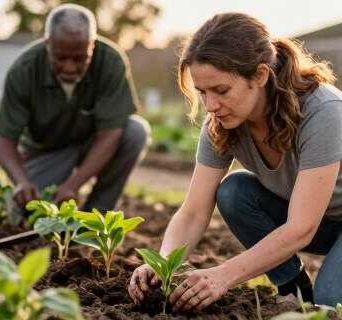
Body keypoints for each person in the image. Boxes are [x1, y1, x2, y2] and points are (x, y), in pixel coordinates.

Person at [129, 12, 342, 311]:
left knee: (331, 303)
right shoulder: (223, 121)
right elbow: (193, 211)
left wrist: (223, 275)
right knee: (234, 191)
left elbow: (301, 229)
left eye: (221, 90)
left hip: (312, 224)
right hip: (320, 225)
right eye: (202, 92)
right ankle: (293, 287)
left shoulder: (324, 111)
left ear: (260, 75)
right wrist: (163, 262)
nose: (211, 106)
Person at [0, 4, 150, 214]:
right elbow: (3, 139)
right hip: (45, 153)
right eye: (60, 58)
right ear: (48, 44)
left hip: (92, 145)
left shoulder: (110, 61)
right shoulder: (24, 69)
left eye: (79, 59)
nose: (69, 67)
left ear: (92, 45)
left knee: (135, 132)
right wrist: (21, 182)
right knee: (26, 210)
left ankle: (98, 214)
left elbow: (111, 134)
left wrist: (72, 185)